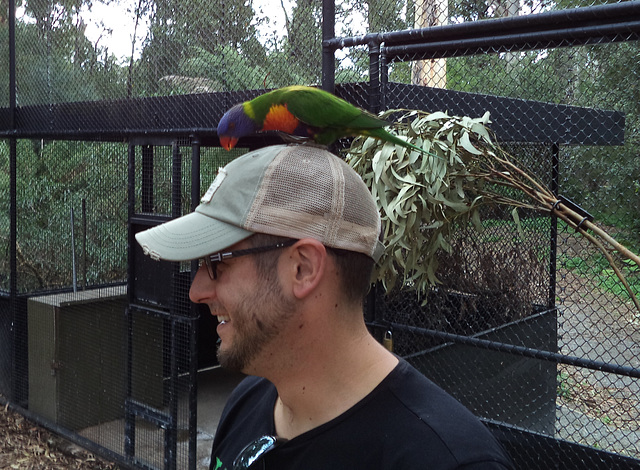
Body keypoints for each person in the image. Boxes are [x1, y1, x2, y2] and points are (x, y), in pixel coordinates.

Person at [135, 144, 514, 470]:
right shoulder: (247, 405)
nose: (196, 291)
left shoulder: (444, 459)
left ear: (303, 268)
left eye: (216, 263)